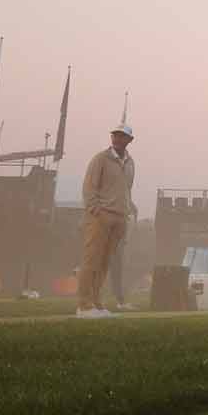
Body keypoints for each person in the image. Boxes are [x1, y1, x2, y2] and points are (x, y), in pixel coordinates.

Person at [73, 125, 136, 319]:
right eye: (115, 135)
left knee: (104, 262)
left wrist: (128, 210)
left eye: (121, 136)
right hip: (100, 217)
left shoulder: (130, 163)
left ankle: (96, 303)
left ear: (129, 140)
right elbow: (89, 188)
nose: (117, 138)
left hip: (119, 217)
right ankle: (84, 306)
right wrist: (96, 211)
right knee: (91, 260)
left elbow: (126, 189)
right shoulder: (100, 159)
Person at [106, 194, 139, 311]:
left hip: (118, 243)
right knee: (112, 269)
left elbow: (133, 212)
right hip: (113, 242)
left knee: (116, 270)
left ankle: (119, 298)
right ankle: (116, 299)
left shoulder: (127, 209)